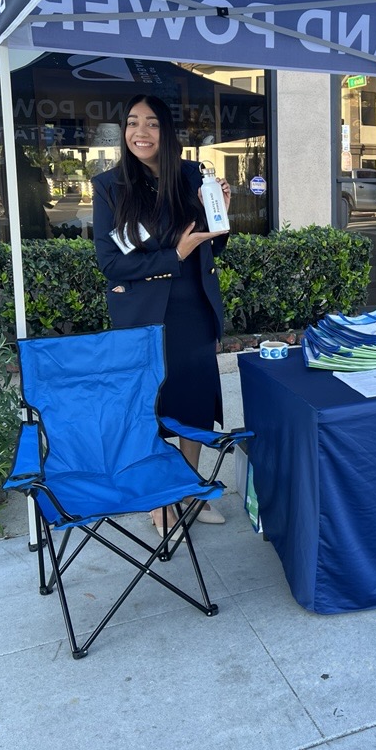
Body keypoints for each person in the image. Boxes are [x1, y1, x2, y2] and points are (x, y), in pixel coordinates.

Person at [92, 95, 231, 536]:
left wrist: (219, 213)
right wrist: (175, 255)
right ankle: (159, 498)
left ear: (165, 131)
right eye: (133, 122)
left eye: (151, 123)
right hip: (142, 316)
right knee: (148, 407)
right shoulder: (110, 186)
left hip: (194, 309)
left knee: (193, 402)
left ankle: (188, 487)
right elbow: (111, 263)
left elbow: (211, 244)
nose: (141, 132)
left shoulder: (190, 175)